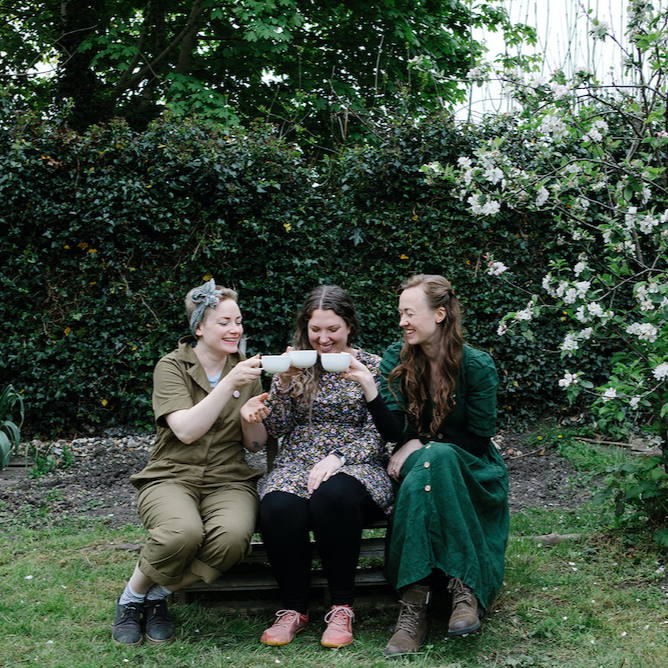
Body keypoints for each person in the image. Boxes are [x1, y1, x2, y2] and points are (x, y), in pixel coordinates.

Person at [112, 279, 269, 646]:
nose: (235, 330)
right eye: (224, 322)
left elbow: (257, 444)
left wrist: (253, 417)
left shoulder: (247, 371)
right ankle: (131, 599)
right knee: (182, 533)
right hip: (171, 476)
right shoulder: (171, 367)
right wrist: (229, 383)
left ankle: (157, 595)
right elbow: (185, 431)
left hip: (228, 478)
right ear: (199, 327)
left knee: (232, 538)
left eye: (239, 321)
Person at [366, 274, 509, 657]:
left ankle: (414, 604)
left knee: (438, 459)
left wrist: (422, 442)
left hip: (471, 469)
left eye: (409, 313)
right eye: (400, 314)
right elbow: (394, 428)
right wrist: (371, 393)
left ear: (441, 314)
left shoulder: (476, 365)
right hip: (415, 463)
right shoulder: (397, 358)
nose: (402, 322)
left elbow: (479, 439)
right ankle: (463, 590)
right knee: (432, 463)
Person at [249, 285, 394, 649]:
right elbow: (278, 429)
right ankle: (293, 609)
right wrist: (281, 384)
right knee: (278, 504)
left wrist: (339, 457)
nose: (324, 338)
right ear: (305, 327)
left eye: (333, 329)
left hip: (358, 462)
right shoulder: (296, 366)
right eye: (316, 330)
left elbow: (384, 431)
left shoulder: (372, 366)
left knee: (333, 497)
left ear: (349, 326)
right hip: (298, 460)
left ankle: (342, 607)